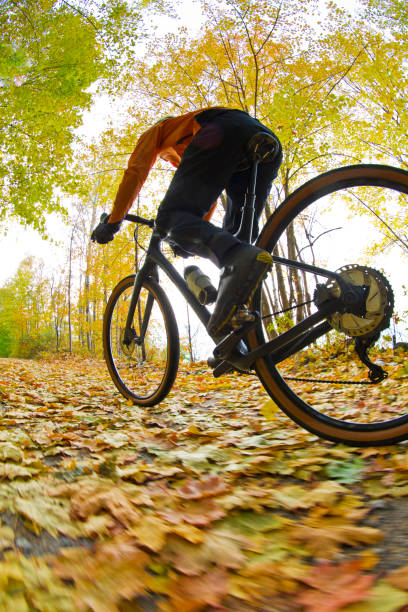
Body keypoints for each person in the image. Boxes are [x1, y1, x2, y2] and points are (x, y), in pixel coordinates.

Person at [91, 107, 282, 337]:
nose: (168, 158)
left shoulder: (159, 130)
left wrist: (113, 222)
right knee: (238, 239)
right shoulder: (187, 138)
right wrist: (190, 233)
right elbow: (206, 194)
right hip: (265, 141)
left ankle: (235, 260)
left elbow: (135, 172)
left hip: (224, 129)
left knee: (170, 218)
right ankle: (236, 333)